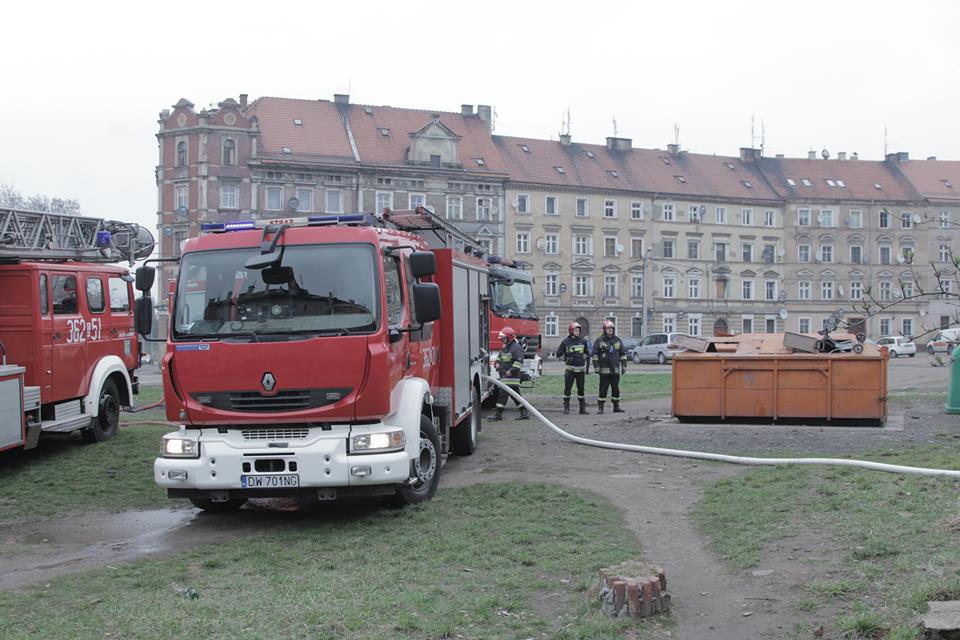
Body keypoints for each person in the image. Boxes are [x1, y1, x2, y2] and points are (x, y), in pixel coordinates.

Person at [489, 327, 529, 421]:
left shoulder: (516, 348)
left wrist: (510, 371)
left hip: (511, 377)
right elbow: (500, 357)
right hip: (505, 376)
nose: (502, 340)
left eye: (503, 338)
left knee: (502, 395)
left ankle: (498, 415)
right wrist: (497, 363)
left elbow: (519, 362)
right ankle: (524, 413)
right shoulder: (506, 347)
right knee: (516, 396)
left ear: (509, 337)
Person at [554, 322, 591, 415]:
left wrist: (584, 357)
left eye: (578, 330)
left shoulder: (583, 342)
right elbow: (558, 354)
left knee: (581, 390)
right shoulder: (565, 342)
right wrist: (565, 359)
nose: (577, 332)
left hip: (581, 370)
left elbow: (587, 353)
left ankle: (582, 409)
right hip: (570, 370)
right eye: (575, 330)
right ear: (571, 331)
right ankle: (566, 408)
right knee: (567, 389)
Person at [592, 320, 627, 414]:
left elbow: (623, 354)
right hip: (604, 370)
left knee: (616, 389)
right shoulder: (599, 341)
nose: (610, 330)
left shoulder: (617, 340)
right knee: (603, 389)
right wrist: (596, 366)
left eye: (611, 328)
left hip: (615, 370)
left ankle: (616, 406)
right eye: (608, 328)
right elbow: (594, 354)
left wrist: (624, 365)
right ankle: (601, 407)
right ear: (605, 330)